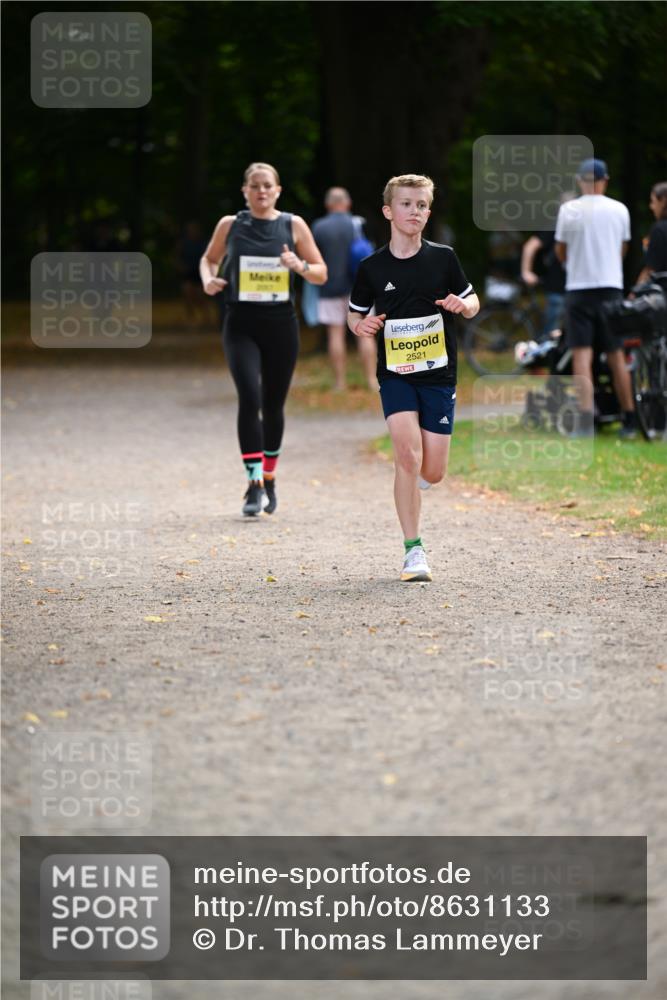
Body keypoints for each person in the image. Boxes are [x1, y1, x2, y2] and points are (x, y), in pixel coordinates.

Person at [347, 174, 479, 583]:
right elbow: (355, 313)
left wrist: (464, 304)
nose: (414, 212)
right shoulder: (372, 267)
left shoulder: (444, 258)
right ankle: (413, 550)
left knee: (433, 470)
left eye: (421, 205)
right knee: (407, 455)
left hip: (439, 374)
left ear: (428, 212)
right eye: (406, 204)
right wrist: (360, 327)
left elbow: (472, 301)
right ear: (389, 211)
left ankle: (420, 480)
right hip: (396, 374)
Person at [201, 162, 327, 516]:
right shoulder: (230, 224)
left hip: (280, 325)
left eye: (267, 185)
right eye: (254, 186)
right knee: (249, 396)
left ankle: (270, 477)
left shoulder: (293, 225)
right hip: (240, 323)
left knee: (273, 405)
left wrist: (298, 265)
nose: (261, 191)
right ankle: (253, 484)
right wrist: (208, 280)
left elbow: (321, 272)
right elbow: (208, 260)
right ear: (244, 191)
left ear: (278, 190)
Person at [554, 158, 636, 439]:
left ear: (580, 181)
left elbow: (561, 250)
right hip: (611, 287)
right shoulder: (620, 210)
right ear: (605, 180)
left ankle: (586, 420)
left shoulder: (569, 210)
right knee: (616, 355)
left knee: (581, 356)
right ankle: (629, 418)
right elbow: (622, 249)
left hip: (579, 288)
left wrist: (572, 264)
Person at [312, 187, 378, 391]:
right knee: (365, 333)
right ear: (347, 203)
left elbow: (313, 256)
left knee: (335, 334)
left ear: (328, 205)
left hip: (329, 287)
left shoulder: (319, 227)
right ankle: (372, 381)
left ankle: (339, 383)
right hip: (359, 288)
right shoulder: (357, 223)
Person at [520, 192, 574, 340]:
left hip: (570, 287)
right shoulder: (554, 226)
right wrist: (526, 272)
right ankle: (546, 359)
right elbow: (530, 247)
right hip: (557, 287)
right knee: (552, 333)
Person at [634, 181, 667, 292]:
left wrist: (635, 293)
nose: (651, 206)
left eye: (653, 201)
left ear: (663, 201)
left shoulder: (659, 229)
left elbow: (650, 269)